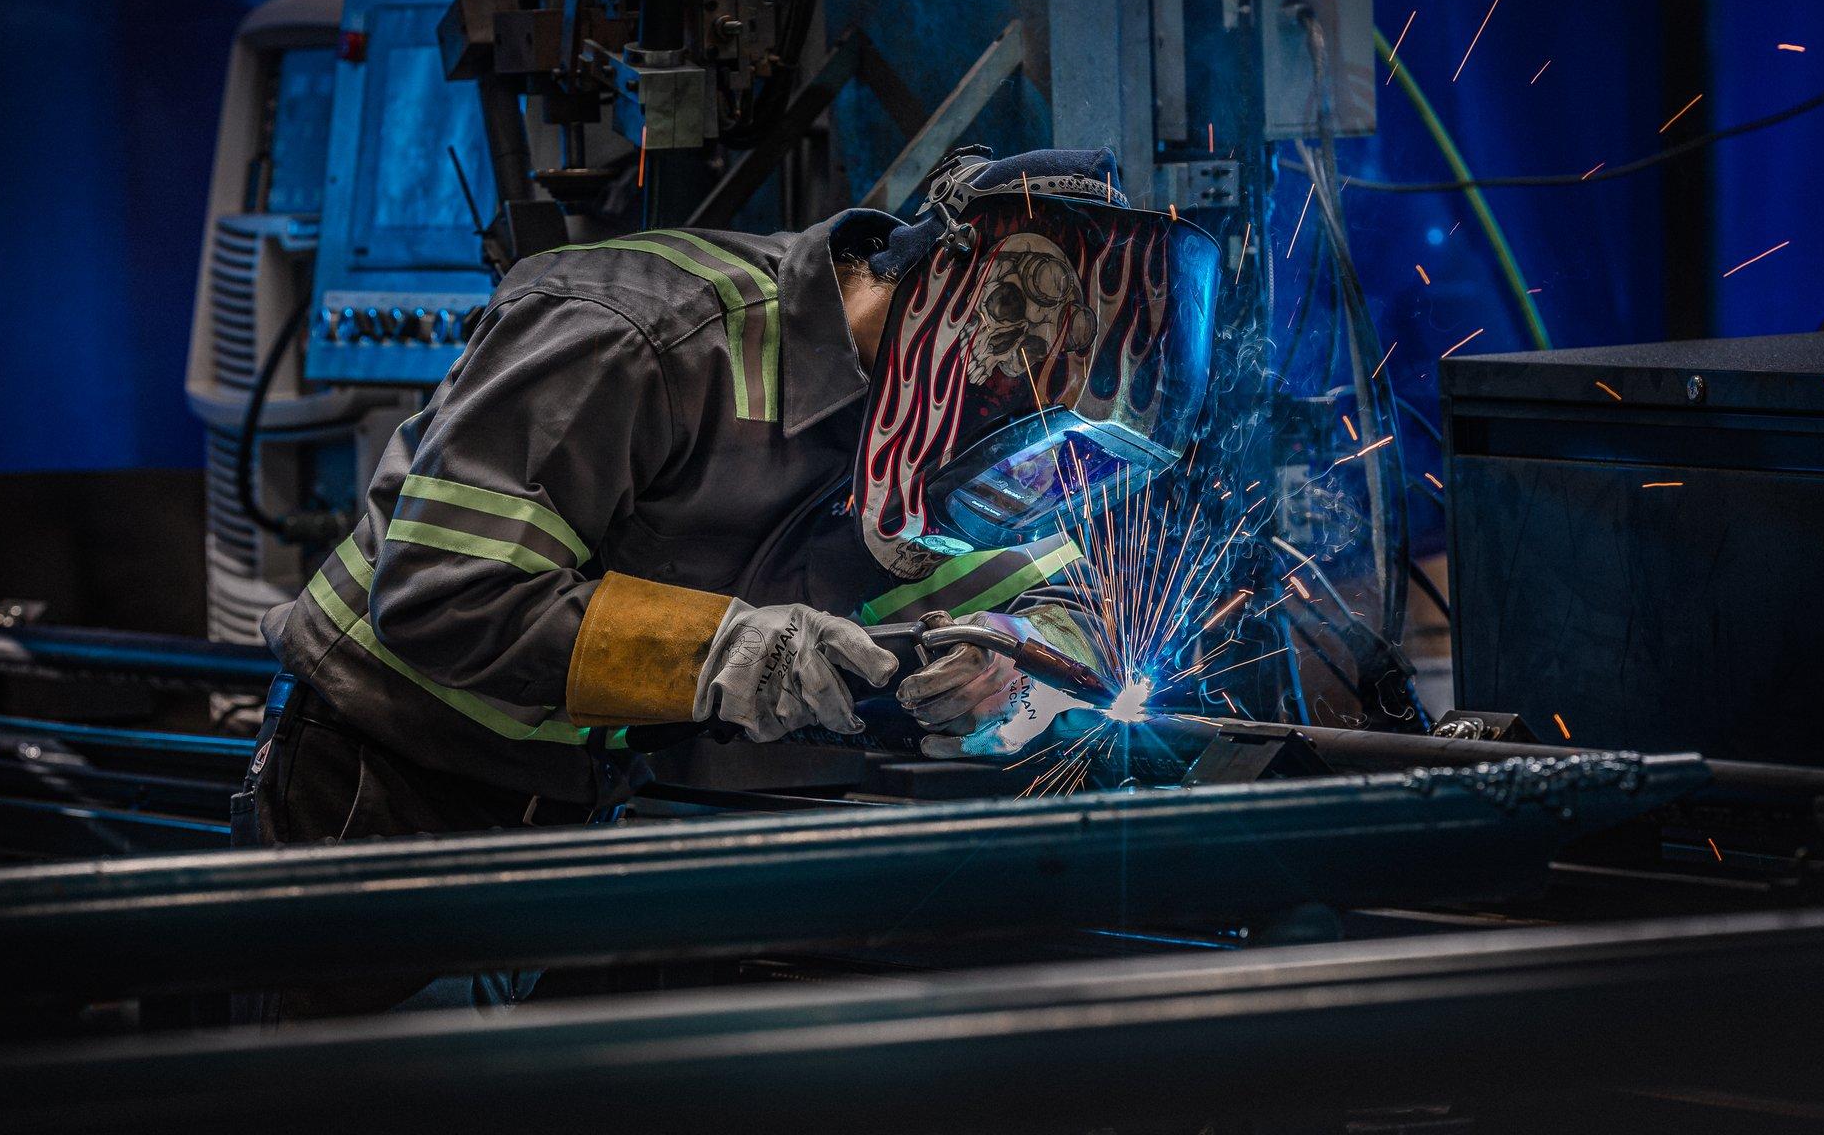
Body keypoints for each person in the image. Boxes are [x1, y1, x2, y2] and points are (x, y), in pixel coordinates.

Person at [233, 146, 1221, 1016]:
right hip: (386, 786)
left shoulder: (940, 434)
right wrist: (724, 652)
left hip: (598, 817)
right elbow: (442, 595)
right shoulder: (640, 329)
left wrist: (1023, 669)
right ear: (964, 303)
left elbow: (1066, 602)